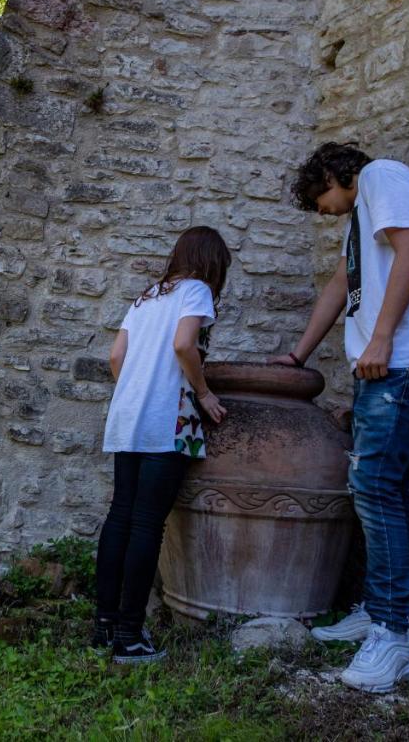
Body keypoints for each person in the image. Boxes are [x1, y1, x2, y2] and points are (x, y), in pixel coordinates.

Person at [269, 142, 409, 692]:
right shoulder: (363, 213)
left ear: (336, 172)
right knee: (382, 487)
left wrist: (381, 340)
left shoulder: (383, 176)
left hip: (402, 359)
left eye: (320, 196)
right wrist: (299, 355)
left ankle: (393, 636)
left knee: (373, 484)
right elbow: (341, 285)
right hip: (386, 363)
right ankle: (379, 611)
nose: (321, 210)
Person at [95, 225, 232, 664]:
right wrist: (205, 393)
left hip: (127, 416)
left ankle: (105, 624)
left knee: (121, 516)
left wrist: (137, 390)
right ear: (212, 262)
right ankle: (131, 637)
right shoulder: (196, 291)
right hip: (166, 421)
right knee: (148, 524)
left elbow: (116, 358)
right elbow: (183, 344)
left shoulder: (146, 297)